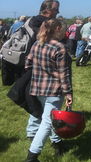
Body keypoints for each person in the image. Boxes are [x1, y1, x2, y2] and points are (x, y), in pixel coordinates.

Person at [25, 18, 72, 161]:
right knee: (46, 122)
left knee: (50, 118)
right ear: (58, 29)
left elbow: (27, 63)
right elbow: (64, 74)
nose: (65, 33)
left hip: (37, 89)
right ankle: (32, 156)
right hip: (53, 90)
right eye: (64, 30)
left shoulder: (36, 44)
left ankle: (58, 144)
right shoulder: (59, 47)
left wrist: (42, 70)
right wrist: (68, 93)